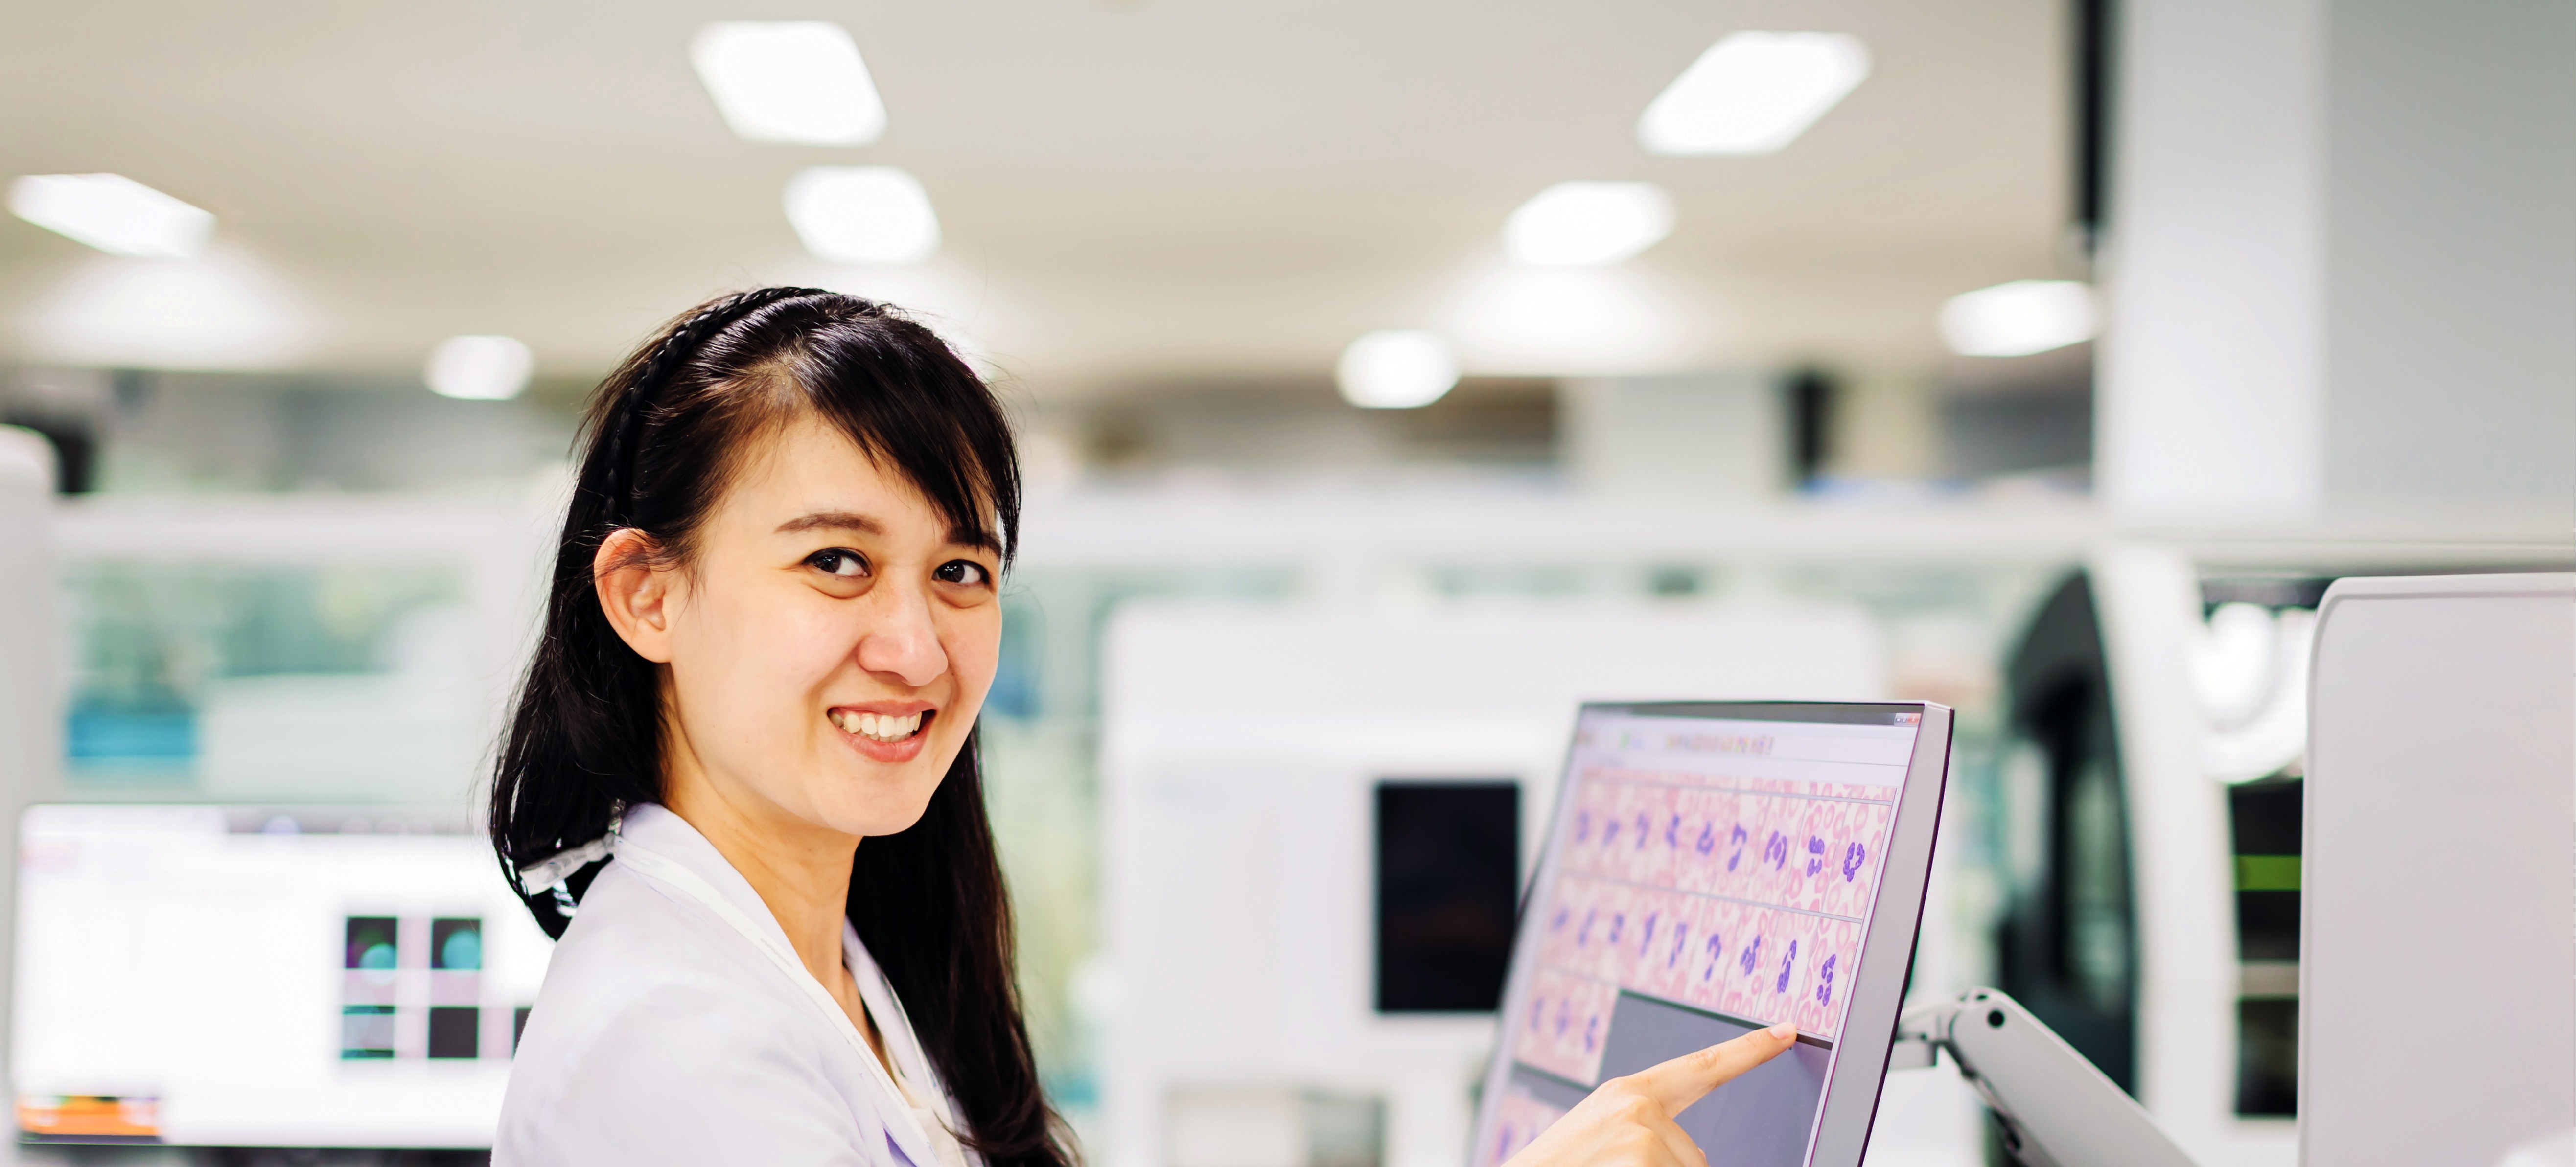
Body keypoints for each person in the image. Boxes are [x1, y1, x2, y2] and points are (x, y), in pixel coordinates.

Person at [488, 287, 1793, 1167]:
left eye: (961, 570)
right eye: (836, 561)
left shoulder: (833, 959)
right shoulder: (682, 1053)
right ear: (645, 595)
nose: (916, 644)